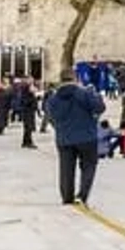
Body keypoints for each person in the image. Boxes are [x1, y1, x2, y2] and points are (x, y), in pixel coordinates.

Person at [46, 68, 105, 206]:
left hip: (64, 138)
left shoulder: (54, 99)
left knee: (66, 167)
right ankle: (82, 195)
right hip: (87, 136)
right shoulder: (84, 93)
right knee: (89, 165)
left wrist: (59, 128)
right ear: (75, 78)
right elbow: (100, 107)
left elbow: (50, 116)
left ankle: (67, 196)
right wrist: (95, 95)